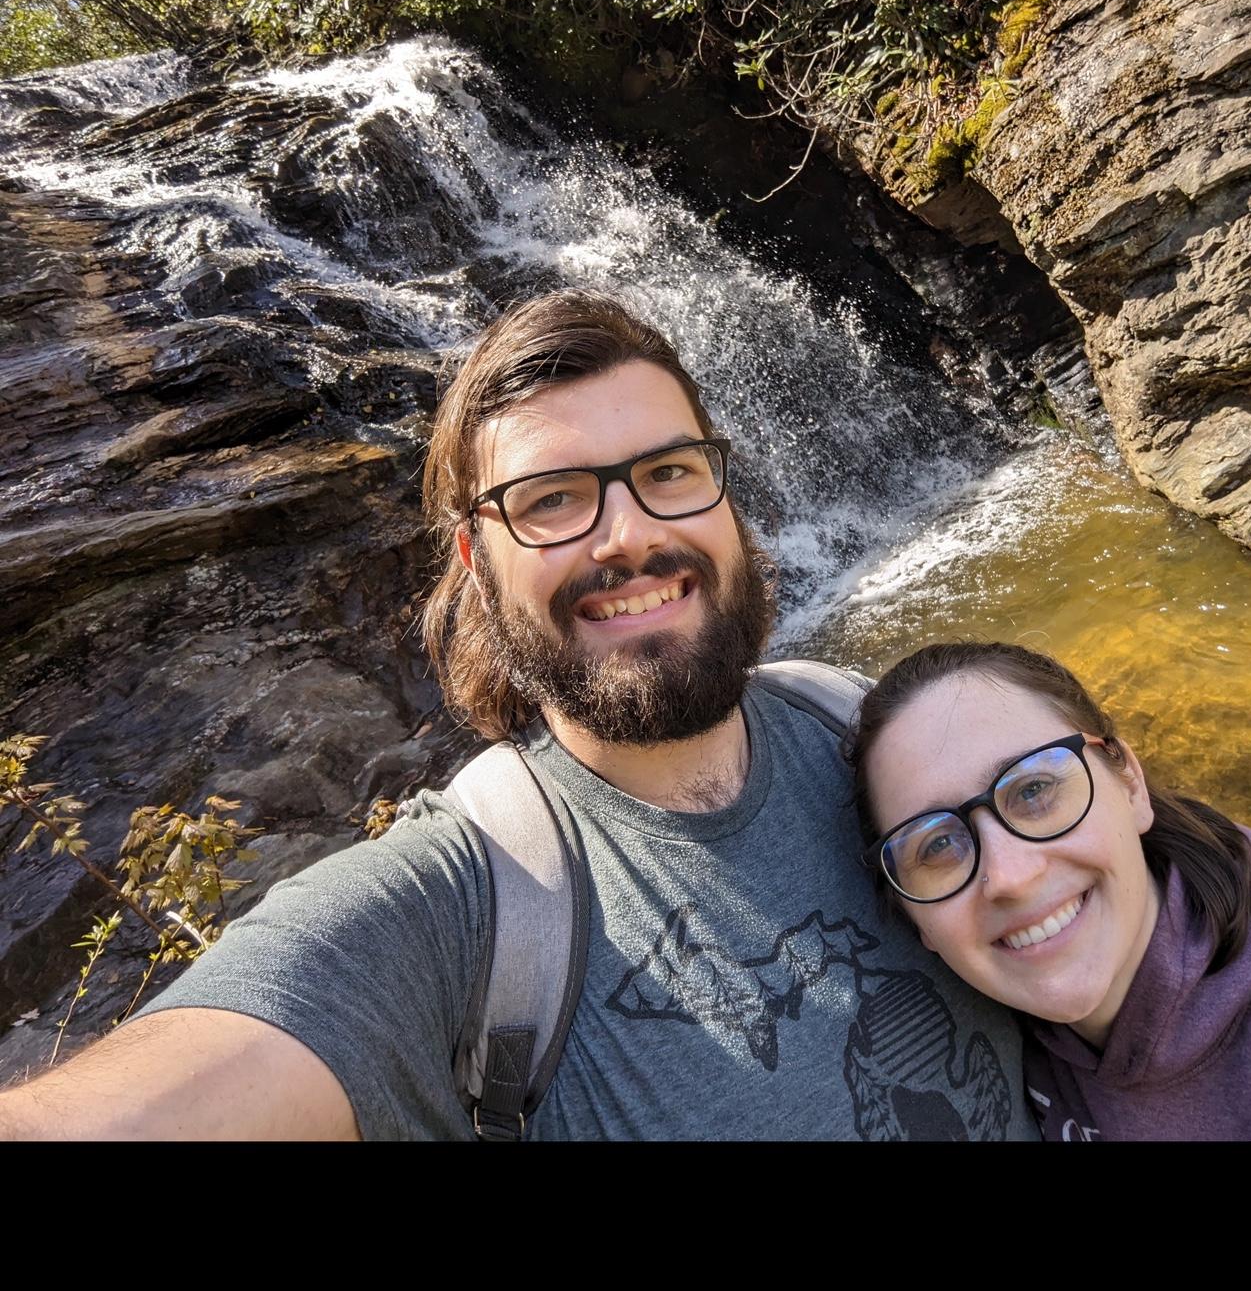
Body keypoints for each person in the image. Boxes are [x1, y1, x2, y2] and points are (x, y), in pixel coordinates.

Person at [0, 290, 1034, 1141]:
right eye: (552, 499)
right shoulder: (455, 911)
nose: (628, 535)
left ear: (724, 498)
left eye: (668, 473)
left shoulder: (870, 732)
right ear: (476, 561)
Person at [848, 639, 1251, 1141]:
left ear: (1130, 783)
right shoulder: (989, 1046)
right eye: (935, 845)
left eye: (1035, 790)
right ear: (913, 919)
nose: (1011, 877)